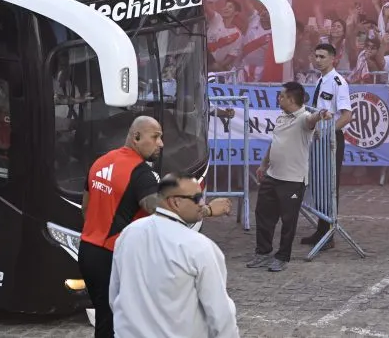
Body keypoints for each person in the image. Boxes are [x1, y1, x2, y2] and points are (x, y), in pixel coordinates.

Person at [79, 116, 231, 338]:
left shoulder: (101, 161)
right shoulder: (140, 173)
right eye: (155, 137)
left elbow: (86, 207)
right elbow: (167, 213)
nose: (161, 143)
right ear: (136, 137)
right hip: (113, 256)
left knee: (107, 319)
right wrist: (208, 209)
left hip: (88, 252)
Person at [110, 173, 239, 338]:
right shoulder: (199, 247)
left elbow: (115, 294)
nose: (202, 203)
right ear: (175, 201)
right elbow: (220, 313)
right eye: (197, 198)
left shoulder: (129, 233)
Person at [248, 82, 329, 272]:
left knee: (288, 220)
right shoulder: (282, 117)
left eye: (282, 96)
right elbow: (275, 142)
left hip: (292, 180)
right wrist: (264, 164)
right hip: (272, 176)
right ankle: (262, 252)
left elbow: (312, 119)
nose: (279, 98)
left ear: (291, 99)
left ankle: (283, 256)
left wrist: (321, 114)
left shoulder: (303, 118)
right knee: (263, 215)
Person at [300, 43, 353, 248]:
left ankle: (328, 232)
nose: (318, 60)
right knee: (319, 184)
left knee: (329, 186)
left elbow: (346, 115)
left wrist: (329, 132)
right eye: (316, 56)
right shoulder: (321, 80)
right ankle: (321, 228)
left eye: (322, 56)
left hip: (331, 139)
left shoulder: (338, 82)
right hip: (319, 138)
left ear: (333, 58)